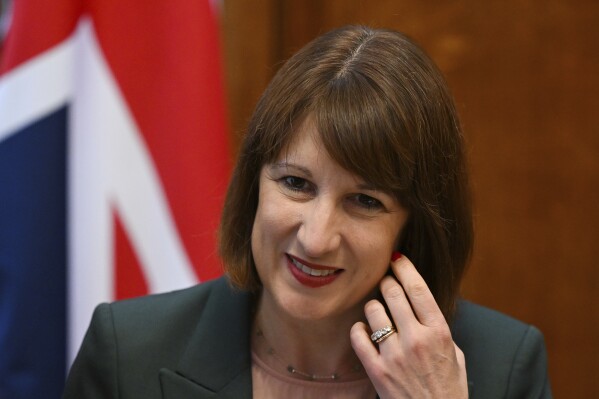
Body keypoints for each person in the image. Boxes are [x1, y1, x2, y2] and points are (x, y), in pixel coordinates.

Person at [63, 25, 552, 398]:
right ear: (254, 184)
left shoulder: (501, 367)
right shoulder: (130, 354)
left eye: (365, 202)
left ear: (413, 225)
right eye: (296, 184)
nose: (316, 238)